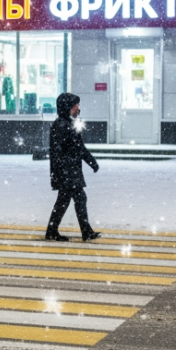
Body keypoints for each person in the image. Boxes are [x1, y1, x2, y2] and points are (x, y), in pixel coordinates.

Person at [46, 92, 101, 242]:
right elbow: (65, 150)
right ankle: (85, 232)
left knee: (65, 201)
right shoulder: (62, 125)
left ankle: (53, 231)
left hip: (68, 171)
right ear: (67, 107)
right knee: (78, 198)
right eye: (75, 106)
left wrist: (91, 162)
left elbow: (78, 148)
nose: (78, 108)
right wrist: (90, 162)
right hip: (67, 172)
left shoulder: (65, 124)